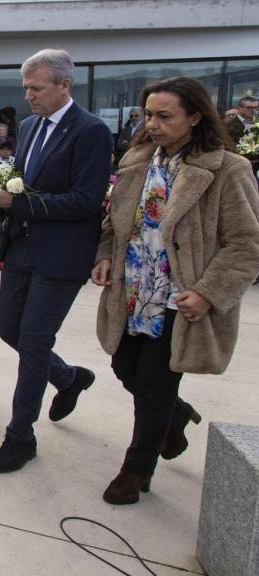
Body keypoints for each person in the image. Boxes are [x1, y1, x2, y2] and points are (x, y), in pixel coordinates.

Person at [91, 77, 259, 504]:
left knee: (153, 385)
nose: (153, 123)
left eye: (164, 116)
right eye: (149, 114)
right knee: (126, 369)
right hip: (132, 294)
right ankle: (176, 416)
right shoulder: (137, 160)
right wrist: (106, 254)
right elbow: (115, 221)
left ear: (195, 116)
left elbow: (246, 244)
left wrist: (208, 292)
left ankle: (136, 471)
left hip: (179, 300)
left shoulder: (226, 170)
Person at [0, 48, 113, 474]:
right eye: (26, 89)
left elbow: (86, 201)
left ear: (64, 86)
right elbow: (22, 181)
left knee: (34, 343)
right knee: (9, 331)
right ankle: (70, 378)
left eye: (36, 88)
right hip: (21, 247)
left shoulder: (91, 131)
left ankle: (21, 437)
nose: (29, 96)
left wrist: (16, 202)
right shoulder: (28, 126)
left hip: (61, 256)